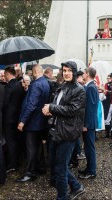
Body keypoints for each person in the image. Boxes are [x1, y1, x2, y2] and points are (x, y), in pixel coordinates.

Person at [42, 61, 86, 200]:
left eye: (69, 71)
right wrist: (50, 110)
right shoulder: (63, 86)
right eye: (64, 70)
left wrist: (52, 108)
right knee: (56, 164)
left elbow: (73, 110)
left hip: (68, 133)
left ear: (74, 72)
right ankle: (76, 187)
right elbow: (60, 106)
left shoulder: (79, 90)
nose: (66, 73)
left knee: (60, 168)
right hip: (57, 130)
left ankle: (63, 197)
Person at [16, 64, 50, 182]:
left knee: (31, 148)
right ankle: (41, 167)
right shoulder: (45, 82)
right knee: (39, 146)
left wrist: (22, 121)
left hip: (33, 122)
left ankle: (30, 173)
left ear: (35, 72)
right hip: (41, 121)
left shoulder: (36, 84)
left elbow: (31, 105)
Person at [2, 66, 25, 173]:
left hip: (8, 118)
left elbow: (5, 102)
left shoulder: (9, 86)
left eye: (4, 75)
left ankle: (12, 164)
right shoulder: (19, 85)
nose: (4, 77)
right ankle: (17, 161)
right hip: (17, 117)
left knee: (10, 142)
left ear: (7, 74)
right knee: (15, 141)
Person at [78, 67, 99, 180]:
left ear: (87, 74)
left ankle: (91, 171)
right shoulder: (90, 86)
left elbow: (90, 108)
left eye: (84, 73)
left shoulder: (90, 87)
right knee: (87, 147)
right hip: (89, 123)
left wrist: (85, 124)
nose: (83, 75)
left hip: (89, 124)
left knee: (90, 148)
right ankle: (89, 168)